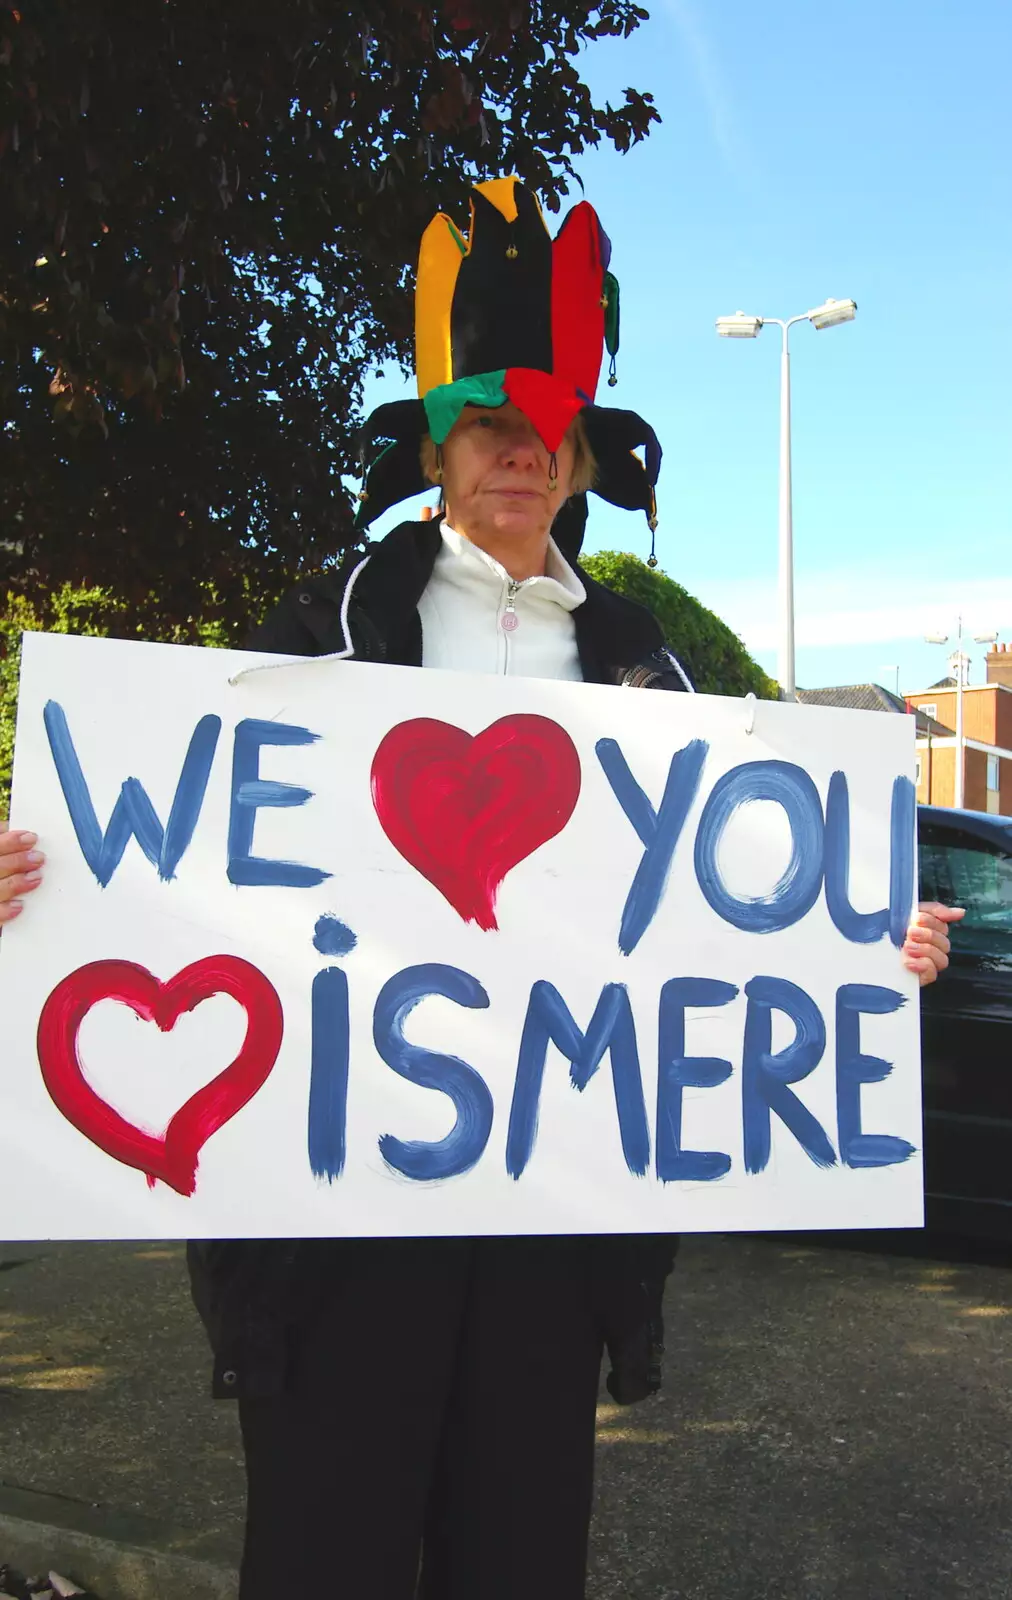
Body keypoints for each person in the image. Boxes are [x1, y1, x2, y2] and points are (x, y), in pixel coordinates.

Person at [0, 178, 963, 1600]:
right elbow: (170, 837)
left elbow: (752, 882)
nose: (519, 455)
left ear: (581, 461)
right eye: (487, 430)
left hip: (554, 1220)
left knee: (520, 1554)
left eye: (546, 434)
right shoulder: (328, 630)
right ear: (439, 452)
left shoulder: (648, 660)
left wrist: (869, 948)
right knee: (323, 1553)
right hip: (337, 1224)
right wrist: (47, 889)